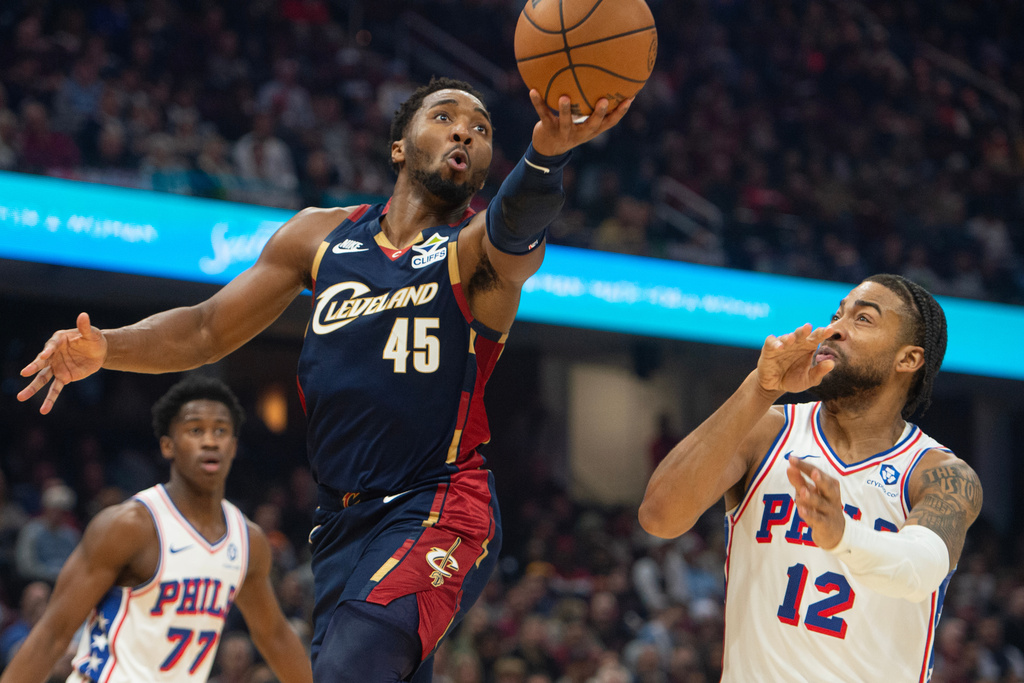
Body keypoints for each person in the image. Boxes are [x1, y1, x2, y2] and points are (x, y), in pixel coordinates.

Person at [17, 77, 631, 682]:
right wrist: (107, 348)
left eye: (480, 129)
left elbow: (518, 227)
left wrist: (546, 153)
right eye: (445, 117)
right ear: (399, 146)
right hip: (340, 524)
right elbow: (207, 329)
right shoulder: (321, 237)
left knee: (349, 669)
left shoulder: (473, 252)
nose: (465, 132)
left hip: (440, 503)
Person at [638, 274, 983, 682]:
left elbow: (919, 571)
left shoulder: (938, 474)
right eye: (838, 314)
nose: (835, 327)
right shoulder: (766, 431)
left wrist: (843, 535)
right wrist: (759, 389)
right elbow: (659, 517)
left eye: (863, 319)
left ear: (908, 359)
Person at [1, 376, 313, 683]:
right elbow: (52, 634)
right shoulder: (129, 525)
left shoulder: (248, 541)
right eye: (195, 430)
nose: (210, 440)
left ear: (232, 446)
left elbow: (275, 637)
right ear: (167, 445)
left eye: (221, 430)